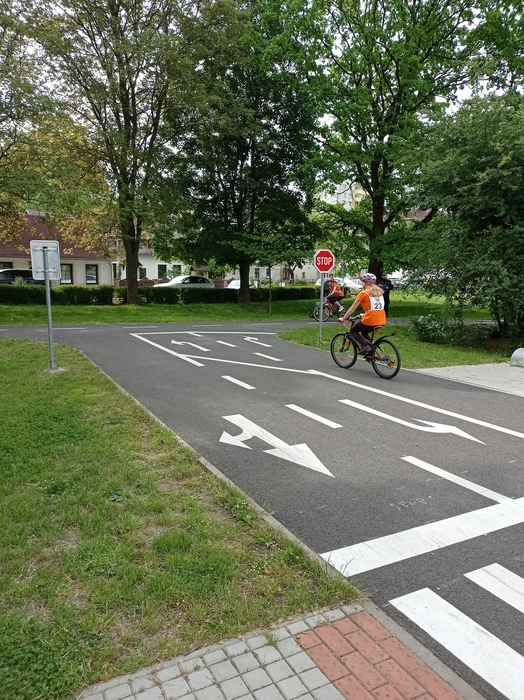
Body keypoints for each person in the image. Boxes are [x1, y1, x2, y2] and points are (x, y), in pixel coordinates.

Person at [338, 272, 386, 355]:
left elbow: (352, 308)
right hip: (381, 319)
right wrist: (365, 314)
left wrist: (343, 318)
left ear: (365, 283)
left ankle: (366, 346)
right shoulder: (379, 293)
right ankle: (371, 350)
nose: (362, 284)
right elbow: (376, 308)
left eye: (362, 282)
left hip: (370, 319)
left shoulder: (364, 293)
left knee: (353, 331)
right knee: (364, 332)